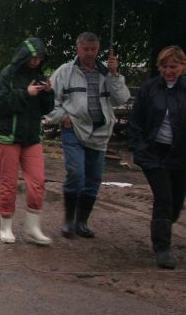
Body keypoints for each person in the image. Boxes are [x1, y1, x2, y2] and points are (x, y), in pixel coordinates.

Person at [46, 32, 130, 238]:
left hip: (100, 132)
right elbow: (49, 100)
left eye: (94, 49)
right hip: (74, 128)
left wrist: (115, 74)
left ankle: (82, 222)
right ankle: (68, 220)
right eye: (86, 49)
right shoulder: (65, 72)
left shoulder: (106, 72)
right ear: (78, 49)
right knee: (76, 173)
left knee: (93, 179)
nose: (90, 53)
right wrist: (61, 117)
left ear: (98, 49)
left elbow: (121, 99)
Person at [0, 38, 55, 245]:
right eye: (33, 57)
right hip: (7, 137)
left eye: (40, 58)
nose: (36, 61)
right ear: (24, 56)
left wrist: (48, 93)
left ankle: (33, 228)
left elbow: (45, 109)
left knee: (38, 182)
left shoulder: (38, 76)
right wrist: (25, 93)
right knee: (9, 184)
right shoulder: (7, 74)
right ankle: (6, 226)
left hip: (31, 137)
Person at [129, 46, 185, 269]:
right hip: (154, 153)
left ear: (182, 67)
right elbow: (135, 122)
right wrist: (140, 149)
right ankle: (162, 248)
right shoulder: (148, 89)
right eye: (165, 66)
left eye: (173, 66)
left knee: (176, 202)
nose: (169, 70)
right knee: (164, 198)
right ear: (159, 67)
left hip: (180, 155)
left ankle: (162, 228)